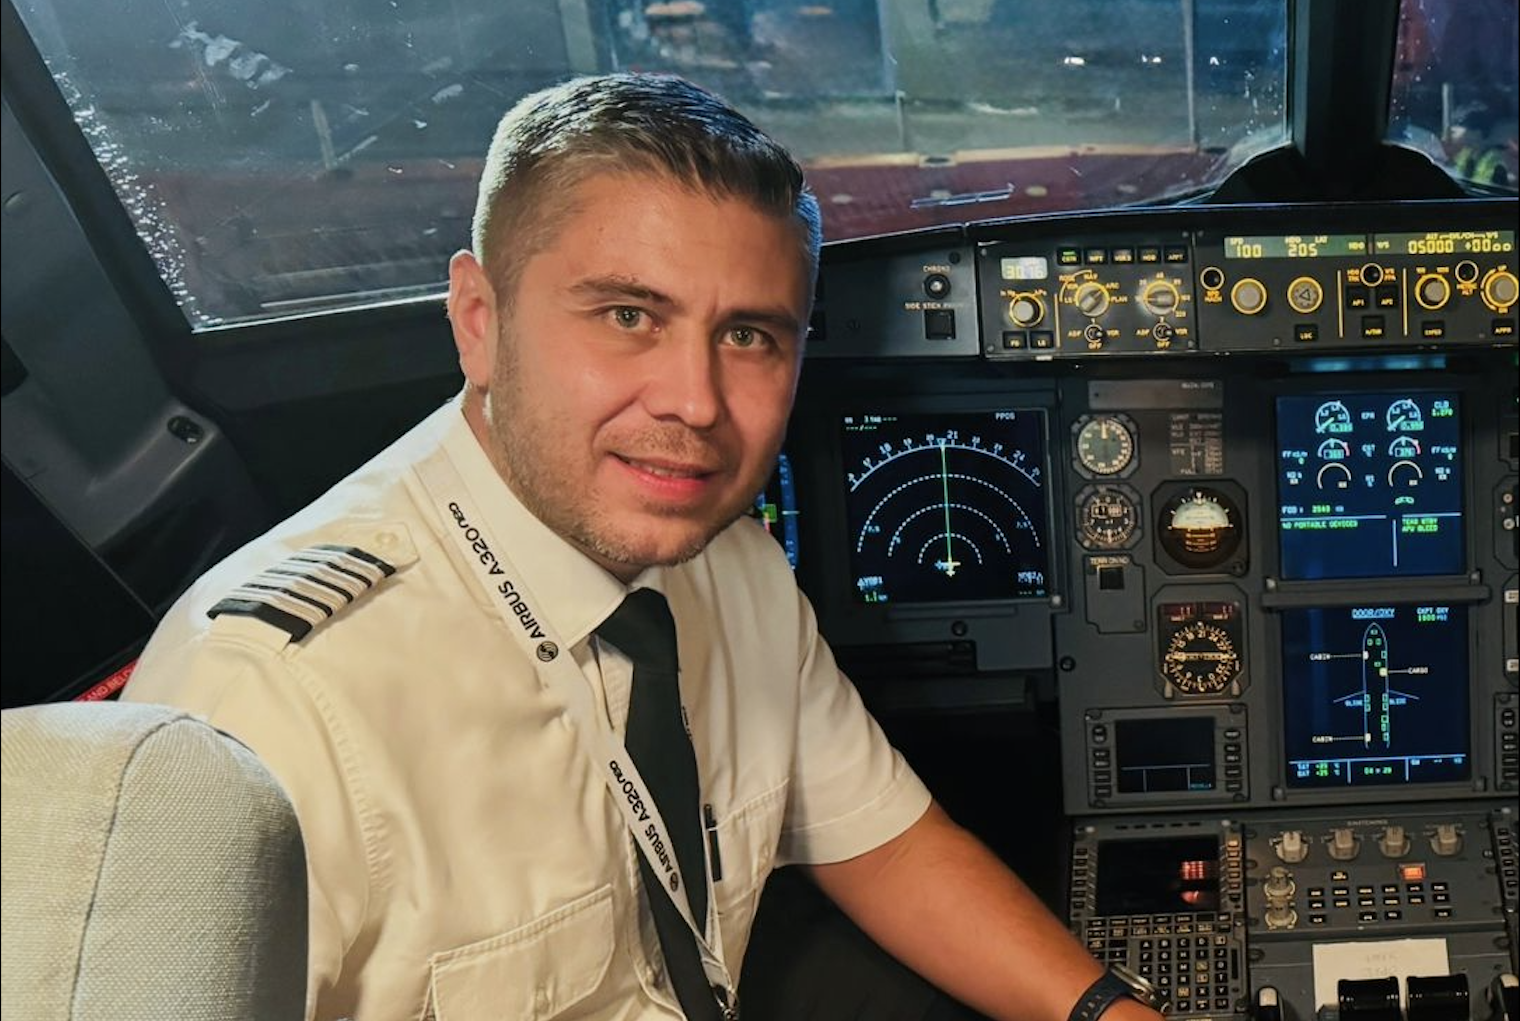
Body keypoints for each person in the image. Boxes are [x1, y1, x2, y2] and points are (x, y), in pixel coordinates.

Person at [124, 73, 1161, 1021]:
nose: (694, 403)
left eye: (748, 334)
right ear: (478, 319)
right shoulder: (264, 703)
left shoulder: (727, 559)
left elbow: (885, 842)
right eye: (628, 314)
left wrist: (1112, 1017)